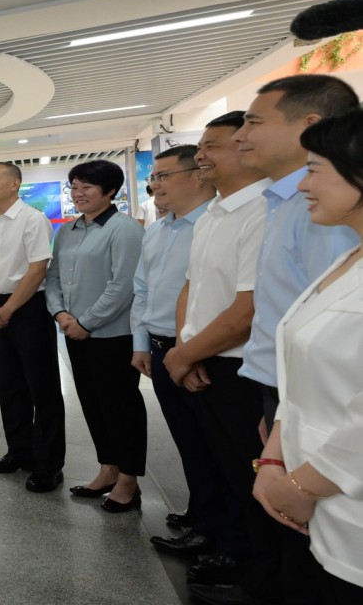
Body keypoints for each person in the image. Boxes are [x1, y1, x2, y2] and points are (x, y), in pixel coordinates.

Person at [191, 77, 359, 605]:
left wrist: (301, 482)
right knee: (283, 545)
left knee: (299, 552)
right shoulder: (295, 211)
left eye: (254, 122)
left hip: (332, 460)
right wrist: (280, 440)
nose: (242, 135)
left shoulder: (321, 222)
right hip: (289, 414)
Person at [253, 110, 363, 604]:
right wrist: (273, 459)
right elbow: (301, 373)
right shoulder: (349, 256)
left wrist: (303, 485)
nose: (303, 185)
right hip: (307, 490)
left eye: (316, 168)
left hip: (341, 500)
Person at [162, 113, 270, 593]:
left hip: (240, 367)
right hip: (202, 357)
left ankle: (249, 566)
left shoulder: (264, 210)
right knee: (218, 465)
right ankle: (223, 544)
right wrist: (186, 346)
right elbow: (192, 284)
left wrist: (186, 355)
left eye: (214, 146)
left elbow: (248, 308)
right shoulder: (213, 215)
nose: (202, 155)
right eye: (200, 146)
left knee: (249, 474)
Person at [130, 146, 228, 558]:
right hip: (161, 347)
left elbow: (218, 299)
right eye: (154, 177)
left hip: (201, 351)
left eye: (164, 176)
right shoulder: (157, 229)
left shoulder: (216, 224)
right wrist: (141, 344)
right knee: (188, 441)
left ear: (197, 175)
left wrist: (190, 351)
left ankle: (218, 532)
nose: (155, 185)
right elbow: (142, 288)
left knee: (216, 446)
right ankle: (202, 512)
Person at [45, 160, 146, 512]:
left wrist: (85, 321)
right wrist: (59, 313)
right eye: (74, 186)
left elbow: (124, 286)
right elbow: (53, 276)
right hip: (75, 332)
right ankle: (108, 468)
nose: (78, 193)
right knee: (92, 403)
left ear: (110, 191)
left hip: (112, 336)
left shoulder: (125, 229)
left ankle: (129, 480)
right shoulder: (67, 230)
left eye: (86, 186)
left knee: (121, 407)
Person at [0, 163, 65, 489]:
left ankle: (50, 464)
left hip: (27, 309)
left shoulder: (32, 219)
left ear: (15, 184)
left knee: (42, 387)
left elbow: (38, 268)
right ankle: (19, 451)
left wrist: (9, 307)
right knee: (10, 384)